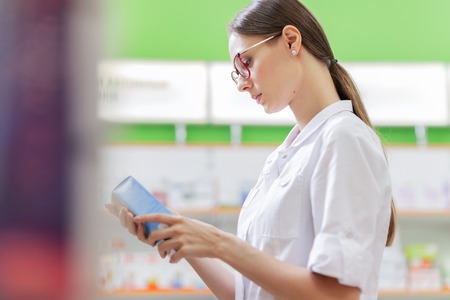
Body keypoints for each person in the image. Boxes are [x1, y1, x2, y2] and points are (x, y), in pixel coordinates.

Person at [106, 0, 397, 299]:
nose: (241, 85)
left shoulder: (345, 139)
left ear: (291, 41)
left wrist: (220, 242)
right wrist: (183, 234)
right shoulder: (285, 155)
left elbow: (337, 294)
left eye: (246, 63)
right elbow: (246, 293)